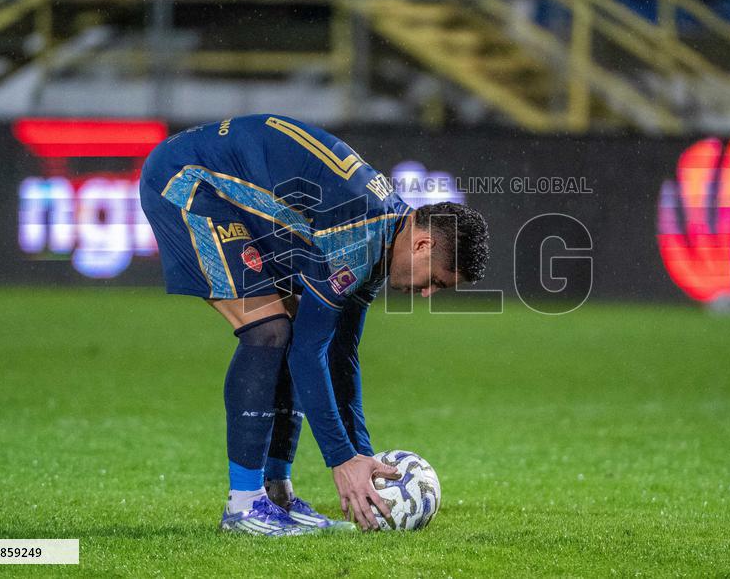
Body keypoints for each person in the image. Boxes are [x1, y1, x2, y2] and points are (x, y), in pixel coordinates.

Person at [139, 114, 489, 536]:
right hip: (188, 182)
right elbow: (309, 352)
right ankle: (244, 506)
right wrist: (341, 460)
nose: (429, 294)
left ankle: (276, 492)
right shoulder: (361, 236)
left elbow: (342, 353)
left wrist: (363, 457)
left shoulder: (381, 234)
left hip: (229, 190)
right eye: (435, 280)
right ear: (422, 244)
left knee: (288, 327)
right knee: (269, 332)